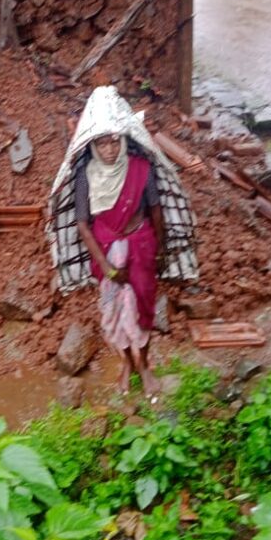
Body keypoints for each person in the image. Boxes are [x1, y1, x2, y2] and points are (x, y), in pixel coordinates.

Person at [75, 131, 165, 396]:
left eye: (115, 142)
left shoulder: (140, 169)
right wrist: (106, 266)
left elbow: (156, 210)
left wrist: (159, 250)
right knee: (112, 310)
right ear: (94, 146)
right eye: (102, 143)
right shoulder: (86, 176)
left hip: (141, 245)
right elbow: (82, 224)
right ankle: (127, 362)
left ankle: (145, 364)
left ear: (124, 142)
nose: (110, 149)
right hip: (106, 250)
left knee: (143, 307)